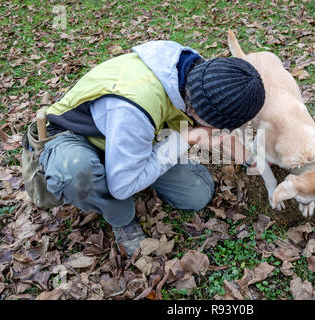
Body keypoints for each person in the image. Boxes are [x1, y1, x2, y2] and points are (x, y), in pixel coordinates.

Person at [37, 40, 265, 256]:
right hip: (81, 136)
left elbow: (221, 118)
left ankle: (132, 167)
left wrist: (253, 160)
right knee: (78, 175)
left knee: (197, 195)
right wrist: (185, 140)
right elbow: (122, 188)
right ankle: (122, 220)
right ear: (196, 112)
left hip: (138, 137)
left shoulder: (202, 77)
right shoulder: (136, 106)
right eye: (214, 127)